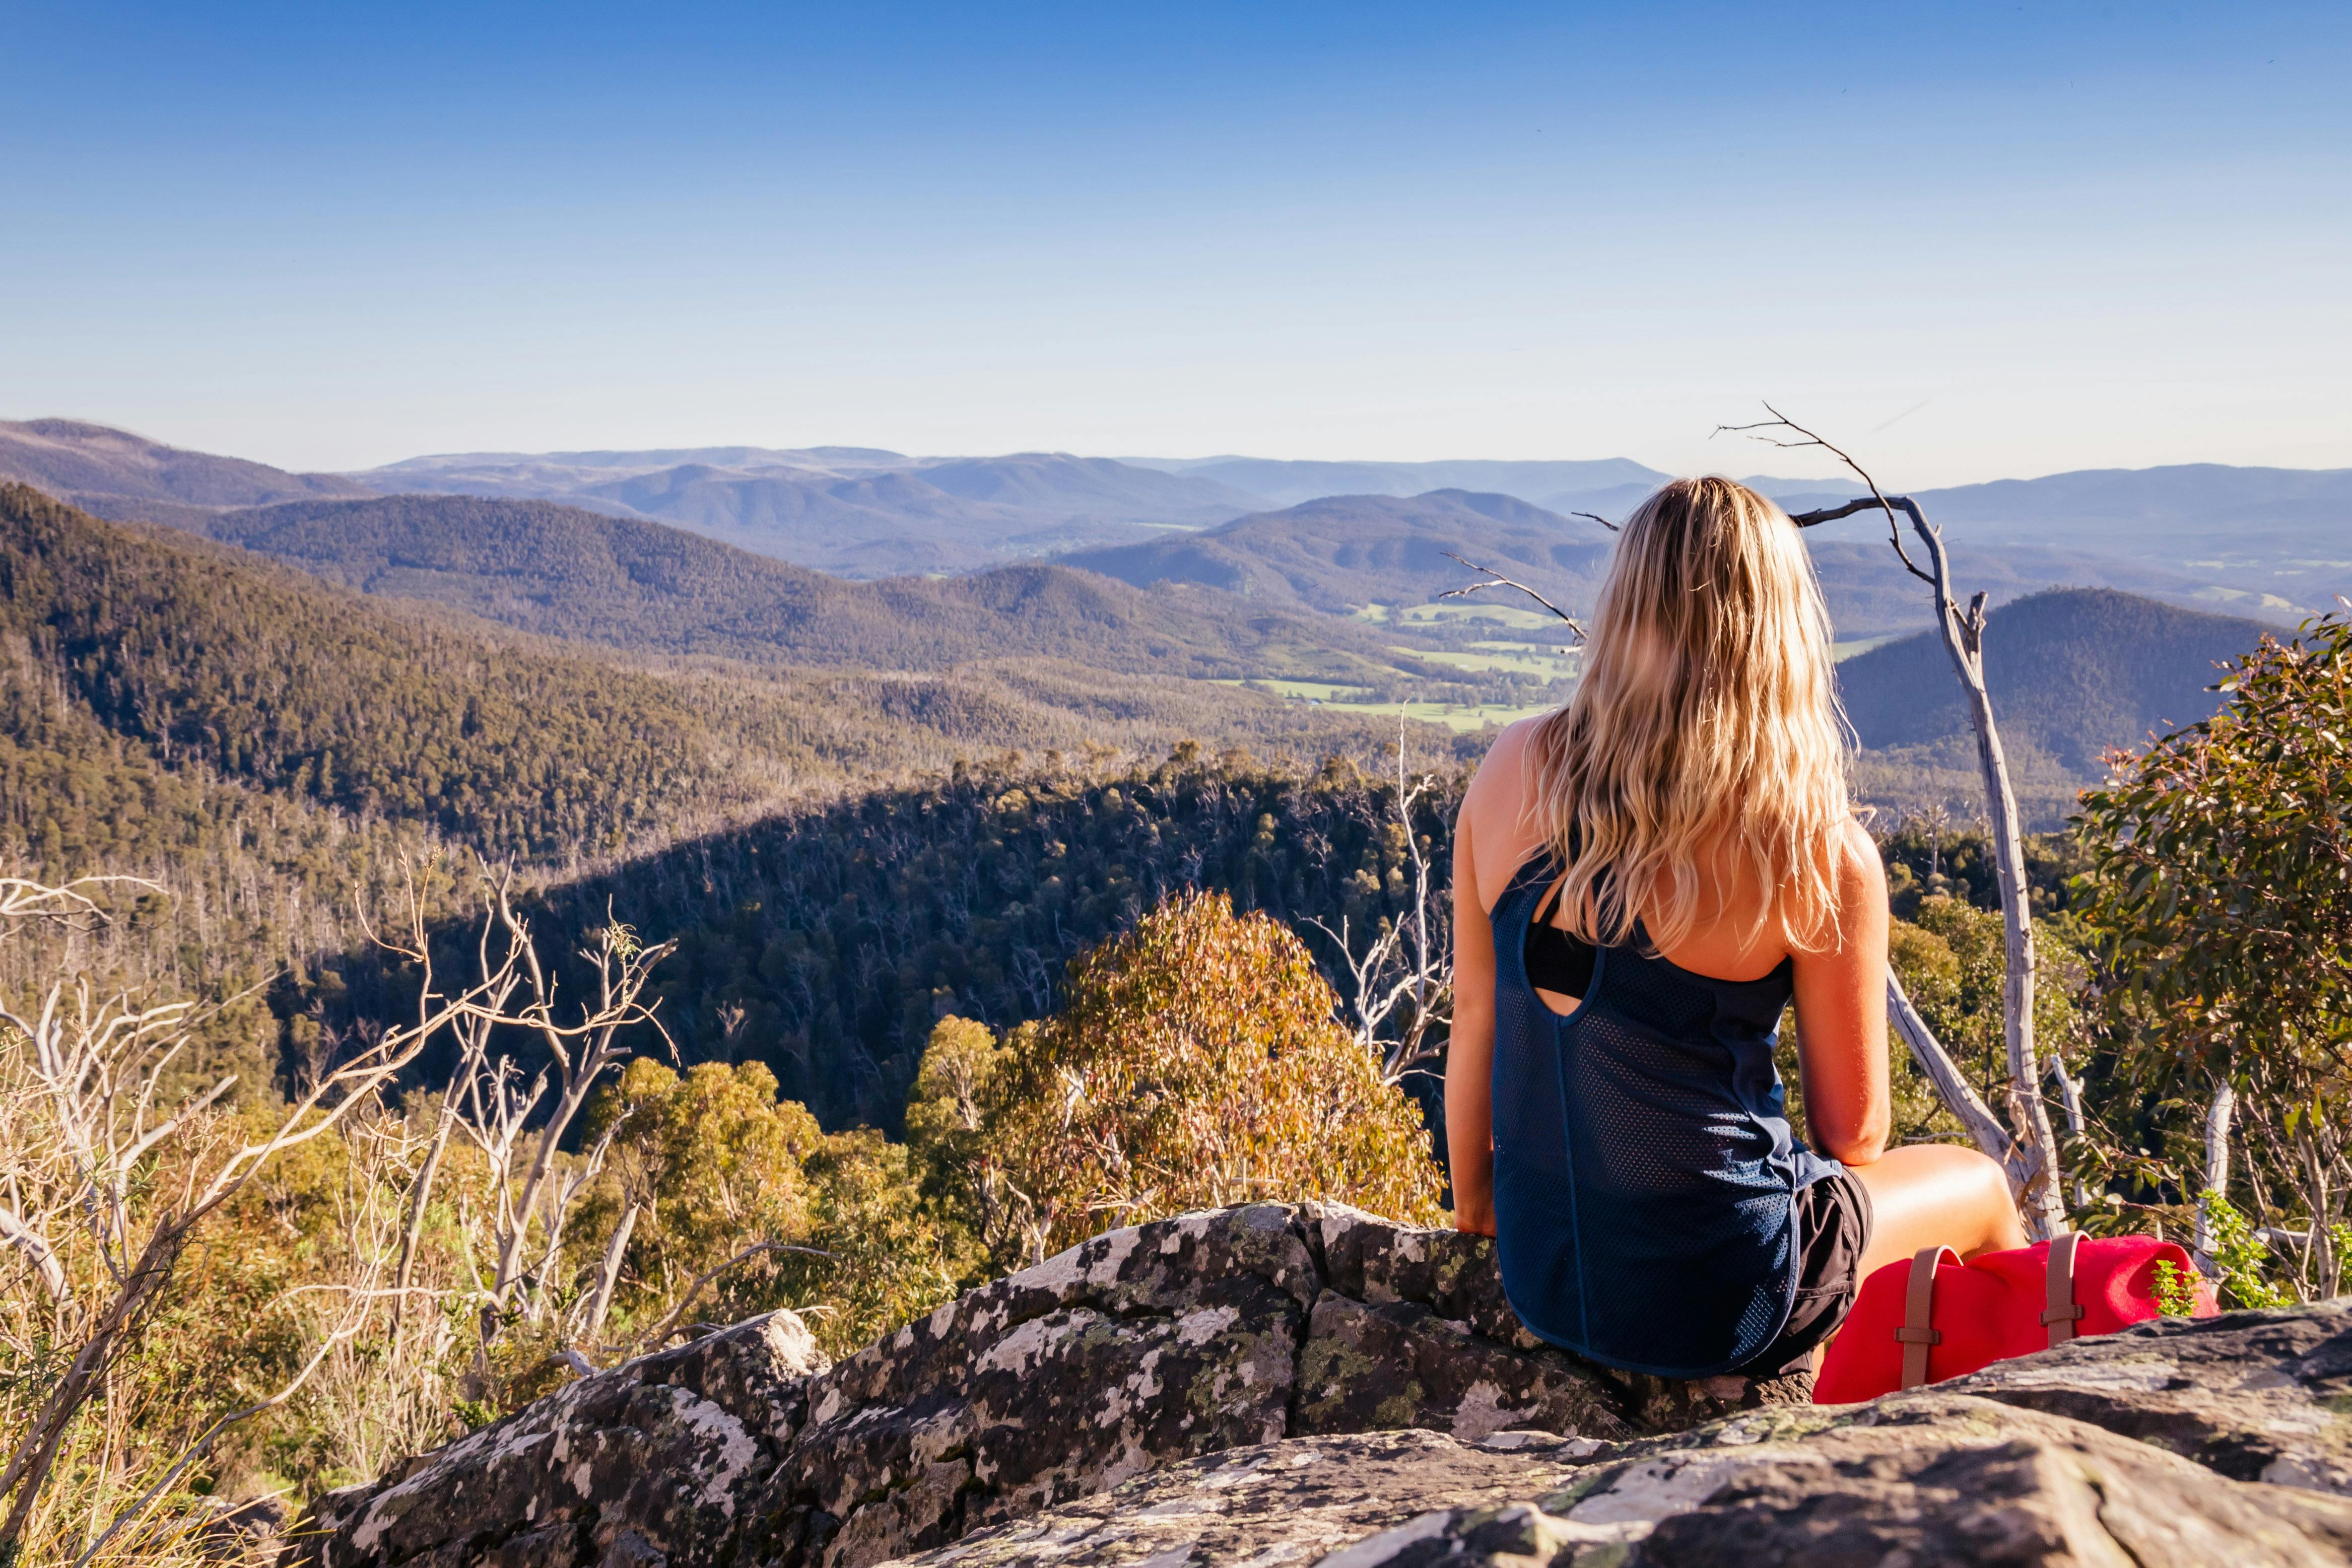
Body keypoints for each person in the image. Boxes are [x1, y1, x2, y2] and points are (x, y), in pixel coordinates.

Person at [1446, 475, 2025, 1380]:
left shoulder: (1510, 765)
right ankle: (1999, 1427)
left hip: (1544, 1277)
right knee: (1984, 1184)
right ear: (1777, 638)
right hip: (1725, 1299)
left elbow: (1476, 1014)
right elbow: (1856, 1138)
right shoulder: (1814, 852)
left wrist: (1479, 1210)